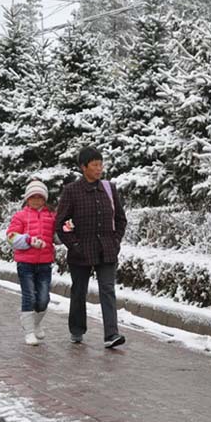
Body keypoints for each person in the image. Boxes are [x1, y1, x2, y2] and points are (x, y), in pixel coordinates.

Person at [55, 147, 127, 348]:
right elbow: (62, 223)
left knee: (107, 289)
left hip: (107, 248)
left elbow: (120, 218)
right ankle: (77, 330)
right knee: (79, 290)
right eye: (94, 165)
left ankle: (111, 334)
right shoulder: (71, 191)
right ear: (83, 167)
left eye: (100, 164)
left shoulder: (109, 188)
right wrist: (75, 245)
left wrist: (116, 240)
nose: (99, 168)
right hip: (81, 250)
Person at [6, 180, 56, 346]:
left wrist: (68, 230)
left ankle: (35, 323)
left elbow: (57, 238)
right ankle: (29, 332)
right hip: (25, 264)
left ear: (45, 199)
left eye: (39, 197)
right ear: (27, 199)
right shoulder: (20, 216)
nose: (36, 200)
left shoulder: (51, 216)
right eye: (32, 197)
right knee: (29, 296)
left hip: (45, 263)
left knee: (43, 299)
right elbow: (11, 237)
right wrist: (29, 240)